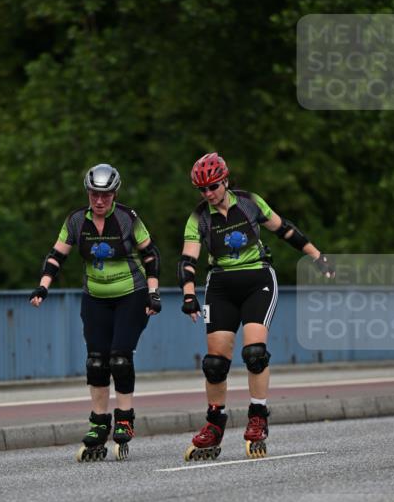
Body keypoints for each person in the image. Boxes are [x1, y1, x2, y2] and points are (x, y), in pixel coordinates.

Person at [178, 151, 334, 461]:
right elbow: (188, 259)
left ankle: (258, 415)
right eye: (202, 189)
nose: (208, 194)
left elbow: (285, 229)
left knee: (254, 354)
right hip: (221, 283)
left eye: (213, 187)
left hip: (257, 279)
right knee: (214, 363)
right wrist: (188, 293)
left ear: (225, 181)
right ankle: (215, 423)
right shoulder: (199, 217)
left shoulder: (250, 202)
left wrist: (317, 256)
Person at [29, 163, 161, 461]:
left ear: (114, 194)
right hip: (95, 297)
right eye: (94, 194)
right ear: (87, 193)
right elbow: (55, 256)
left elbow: (151, 255)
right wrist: (43, 287)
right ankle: (99, 423)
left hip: (132, 294)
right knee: (96, 361)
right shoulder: (76, 221)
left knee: (119, 357)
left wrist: (153, 292)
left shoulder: (128, 219)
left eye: (105, 195)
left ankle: (125, 416)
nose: (99, 201)